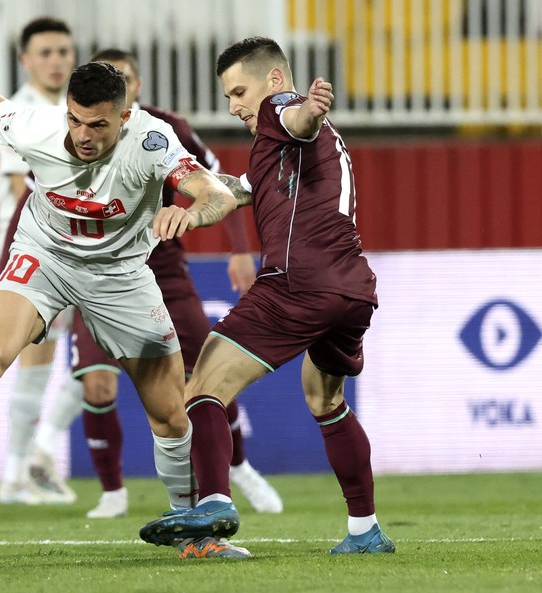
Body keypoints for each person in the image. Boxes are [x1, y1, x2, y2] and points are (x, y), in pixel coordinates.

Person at [0, 62, 247, 560]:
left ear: (124, 117)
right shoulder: (37, 126)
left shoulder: (151, 141)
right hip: (45, 256)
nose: (83, 135)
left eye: (99, 125)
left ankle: (193, 535)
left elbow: (214, 192)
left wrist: (189, 212)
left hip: (121, 277)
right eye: (76, 120)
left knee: (169, 415)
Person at [138, 36, 396, 559]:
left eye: (239, 91)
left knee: (202, 388)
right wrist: (192, 213)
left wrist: (309, 110)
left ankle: (213, 502)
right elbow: (232, 193)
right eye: (228, 97)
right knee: (326, 400)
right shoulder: (285, 152)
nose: (234, 106)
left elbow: (298, 118)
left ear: (274, 80)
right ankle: (365, 529)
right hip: (352, 289)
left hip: (297, 282)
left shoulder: (281, 113)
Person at [24, 48, 283, 520]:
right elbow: (41, 201)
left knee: (208, 375)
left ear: (135, 90)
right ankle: (113, 492)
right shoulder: (69, 134)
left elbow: (218, 183)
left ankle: (239, 468)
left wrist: (241, 248)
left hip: (164, 270)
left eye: (124, 79)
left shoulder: (165, 130)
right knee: (95, 384)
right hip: (96, 275)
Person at [0, 17, 80, 506]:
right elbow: (17, 186)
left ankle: (35, 457)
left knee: (105, 355)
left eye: (63, 51)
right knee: (32, 358)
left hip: (86, 248)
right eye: (44, 52)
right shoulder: (16, 113)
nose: (56, 61)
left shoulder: (81, 110)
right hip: (38, 250)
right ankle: (16, 473)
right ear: (25, 60)